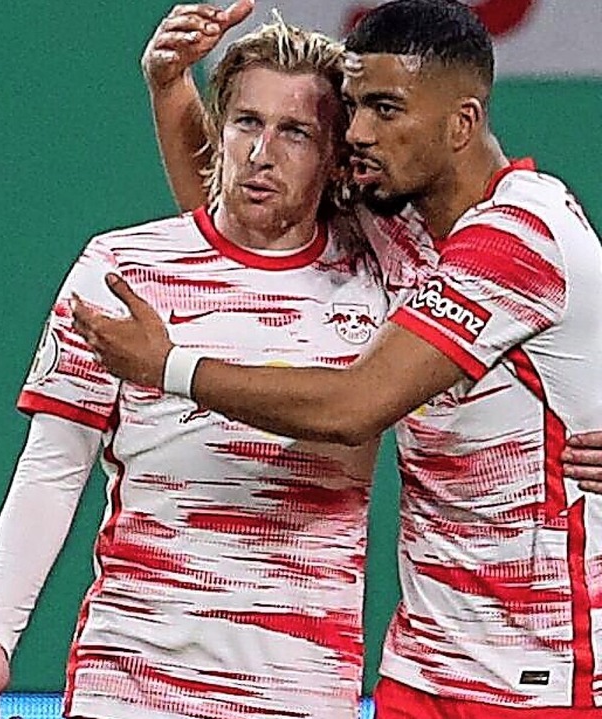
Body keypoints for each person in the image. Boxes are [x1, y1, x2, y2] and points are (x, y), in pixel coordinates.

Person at [71, 1, 602, 717]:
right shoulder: (399, 219)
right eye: (353, 108)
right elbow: (247, 206)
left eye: (386, 110)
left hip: (540, 675)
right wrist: (172, 86)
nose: (357, 134)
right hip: (420, 667)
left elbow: (354, 407)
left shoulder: (522, 235)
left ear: (462, 124)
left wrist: (169, 365)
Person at [0, 15, 390, 719]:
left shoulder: (379, 287)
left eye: (295, 132)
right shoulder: (121, 268)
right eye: (246, 121)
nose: (261, 152)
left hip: (301, 691)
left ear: (336, 156)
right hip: (128, 681)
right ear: (217, 129)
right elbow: (53, 466)